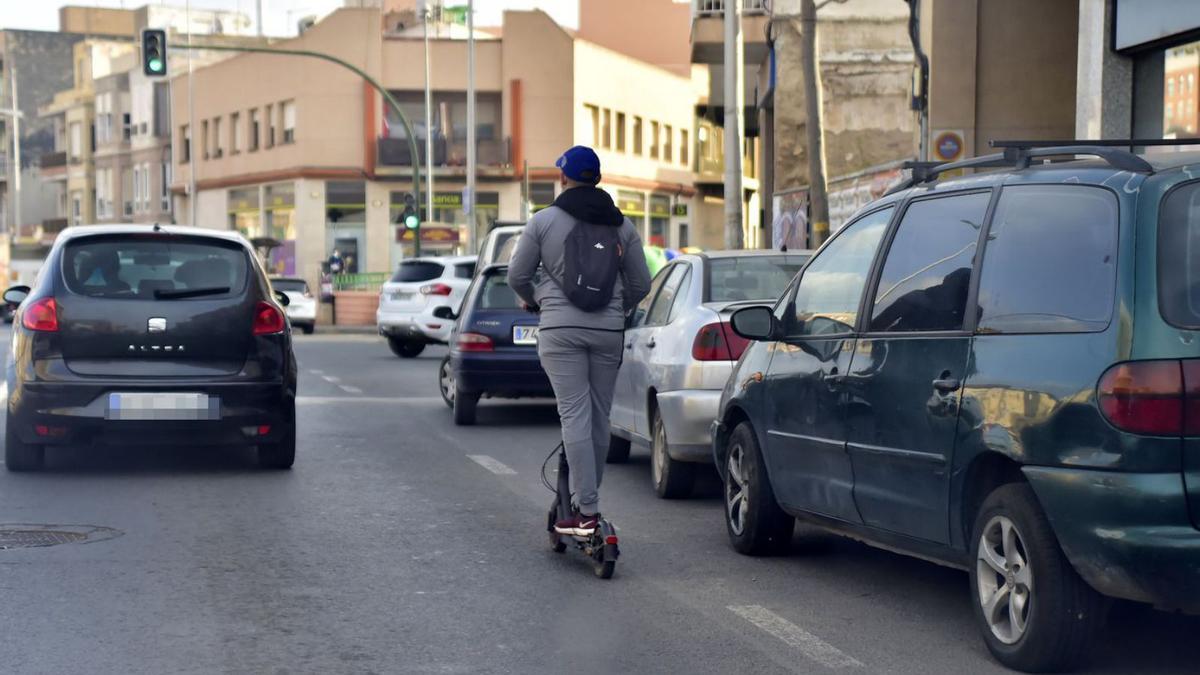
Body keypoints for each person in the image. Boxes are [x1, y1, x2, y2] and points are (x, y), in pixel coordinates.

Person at [508, 146, 651, 536]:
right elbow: (642, 283)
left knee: (574, 415)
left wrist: (536, 298)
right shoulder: (622, 225)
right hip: (607, 331)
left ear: (564, 178)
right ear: (598, 179)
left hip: (560, 330)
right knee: (599, 417)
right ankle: (589, 499)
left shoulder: (543, 221)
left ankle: (585, 509)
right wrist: (618, 309)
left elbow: (517, 275)